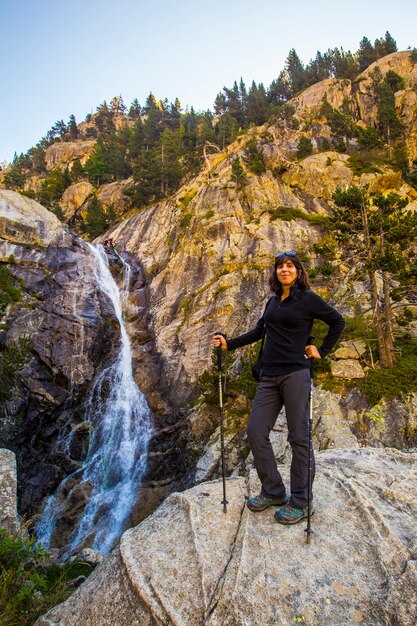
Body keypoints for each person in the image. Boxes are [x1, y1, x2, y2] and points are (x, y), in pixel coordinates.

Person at [213, 251, 345, 525]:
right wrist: (229, 344)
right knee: (255, 430)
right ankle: (273, 491)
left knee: (299, 438)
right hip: (269, 377)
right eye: (280, 267)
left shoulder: (308, 299)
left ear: (298, 271)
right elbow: (259, 332)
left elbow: (337, 321)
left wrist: (321, 350)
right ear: (275, 273)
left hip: (296, 373)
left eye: (289, 266)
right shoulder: (272, 302)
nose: (284, 270)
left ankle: (301, 501)